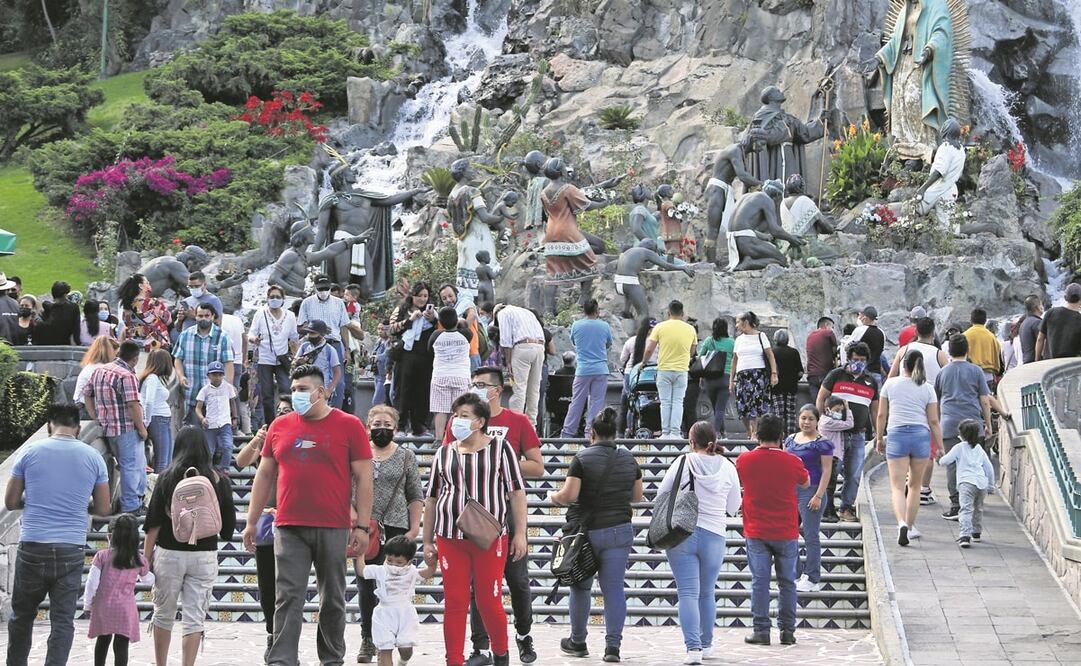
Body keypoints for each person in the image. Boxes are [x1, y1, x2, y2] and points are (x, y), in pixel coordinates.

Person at [242, 364, 374, 666]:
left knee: (333, 599)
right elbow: (264, 475)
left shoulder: (350, 425)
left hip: (334, 525)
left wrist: (363, 526)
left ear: (323, 391)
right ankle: (282, 659)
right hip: (288, 526)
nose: (297, 395)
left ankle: (331, 658)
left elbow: (365, 478)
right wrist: (251, 520)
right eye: (294, 389)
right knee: (287, 596)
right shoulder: (280, 426)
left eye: (303, 390)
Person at [443, 367, 543, 665]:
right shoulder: (459, 422)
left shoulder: (517, 421)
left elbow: (537, 467)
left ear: (497, 390)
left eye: (482, 384)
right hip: (469, 515)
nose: (476, 388)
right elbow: (449, 457)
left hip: (504, 513)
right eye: (473, 383)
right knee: (478, 585)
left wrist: (499, 459)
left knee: (517, 581)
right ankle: (480, 646)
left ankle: (523, 635)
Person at [424, 393, 527, 666]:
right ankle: (453, 661)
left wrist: (521, 534)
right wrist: (426, 541)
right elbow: (432, 497)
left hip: (489, 538)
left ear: (480, 421)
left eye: (464, 416)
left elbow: (516, 493)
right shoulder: (444, 452)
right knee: (455, 602)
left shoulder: (501, 449)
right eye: (455, 415)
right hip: (449, 536)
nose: (456, 421)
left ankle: (501, 653)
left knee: (488, 600)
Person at [5, 404, 110, 666]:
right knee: (62, 621)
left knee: (22, 616)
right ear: (77, 427)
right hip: (70, 548)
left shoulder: (29, 452)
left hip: (33, 544)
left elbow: (10, 501)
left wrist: (36, 499)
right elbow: (103, 508)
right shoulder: (93, 457)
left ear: (50, 424)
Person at [548, 407, 642, 663]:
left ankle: (577, 641)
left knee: (580, 587)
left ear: (592, 433)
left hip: (586, 534)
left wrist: (552, 497)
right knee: (613, 590)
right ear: (616, 433)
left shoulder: (582, 458)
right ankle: (613, 647)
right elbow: (637, 496)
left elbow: (569, 496)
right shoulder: (629, 459)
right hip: (619, 531)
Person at [143, 427, 236, 666]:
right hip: (204, 556)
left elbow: (152, 522)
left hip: (169, 553)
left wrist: (146, 557)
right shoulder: (219, 479)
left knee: (163, 613)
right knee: (194, 618)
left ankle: (161, 663)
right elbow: (227, 529)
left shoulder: (166, 477)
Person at [659, 421, 741, 664]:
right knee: (707, 593)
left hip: (682, 534)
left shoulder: (683, 462)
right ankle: (706, 645)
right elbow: (734, 507)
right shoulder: (728, 467)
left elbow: (662, 494)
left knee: (687, 593)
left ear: (691, 442)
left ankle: (692, 649)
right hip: (715, 534)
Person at [353, 406, 425, 663]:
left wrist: (414, 528)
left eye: (387, 424)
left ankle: (400, 635)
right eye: (376, 423)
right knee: (366, 584)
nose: (381, 428)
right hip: (364, 527)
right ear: (368, 425)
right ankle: (368, 638)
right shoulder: (358, 454)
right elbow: (347, 489)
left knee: (396, 582)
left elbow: (415, 494)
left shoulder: (406, 456)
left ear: (395, 427)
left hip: (396, 529)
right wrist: (354, 519)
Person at [736, 414, 809, 647]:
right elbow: (806, 483)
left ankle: (761, 631)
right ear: (781, 436)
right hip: (786, 530)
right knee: (787, 582)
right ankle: (787, 631)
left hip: (756, 529)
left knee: (760, 581)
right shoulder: (793, 462)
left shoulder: (744, 460)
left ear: (757, 435)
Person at [234, 394, 293, 661]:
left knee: (290, 584)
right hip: (266, 523)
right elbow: (241, 462)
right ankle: (272, 632)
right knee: (267, 582)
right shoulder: (268, 439)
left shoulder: (300, 440)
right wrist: (258, 439)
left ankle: (286, 636)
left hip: (294, 520)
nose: (282, 414)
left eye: (287, 410)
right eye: (279, 410)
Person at [935, 335, 1010, 521]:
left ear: (949, 352)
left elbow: (936, 402)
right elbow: (985, 400)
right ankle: (976, 500)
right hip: (973, 423)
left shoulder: (942, 373)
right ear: (967, 350)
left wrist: (936, 425)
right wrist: (988, 425)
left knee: (952, 464)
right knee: (976, 462)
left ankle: (956, 504)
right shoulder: (976, 371)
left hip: (949, 423)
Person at [877, 351, 941, 546]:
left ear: (903, 365)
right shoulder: (927, 388)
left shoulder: (890, 384)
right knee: (914, 486)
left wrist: (879, 438)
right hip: (920, 436)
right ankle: (911, 527)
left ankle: (901, 523)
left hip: (897, 435)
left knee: (897, 487)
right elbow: (933, 421)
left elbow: (881, 415)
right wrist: (940, 446)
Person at [815, 342, 879, 523]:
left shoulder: (871, 381)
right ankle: (827, 508)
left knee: (855, 473)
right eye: (855, 359)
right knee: (831, 471)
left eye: (862, 360)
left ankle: (846, 507)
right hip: (835, 435)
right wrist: (821, 423)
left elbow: (875, 410)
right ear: (848, 359)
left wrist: (878, 433)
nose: (858, 363)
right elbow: (821, 398)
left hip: (858, 434)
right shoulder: (836, 375)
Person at [85, 341, 149, 514]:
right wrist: (142, 429)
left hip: (108, 428)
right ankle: (131, 506)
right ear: (135, 359)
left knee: (126, 465)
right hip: (126, 428)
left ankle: (133, 502)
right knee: (131, 467)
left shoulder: (100, 370)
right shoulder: (126, 375)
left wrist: (94, 414)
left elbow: (87, 392)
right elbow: (133, 405)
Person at [356, 536, 438, 666]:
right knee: (385, 648)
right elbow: (362, 570)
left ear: (409, 561)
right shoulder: (380, 570)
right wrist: (360, 553)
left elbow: (427, 573)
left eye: (399, 562)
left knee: (405, 648)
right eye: (390, 560)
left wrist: (432, 564)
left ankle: (403, 660)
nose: (394, 565)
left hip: (405, 614)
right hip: (383, 613)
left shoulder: (411, 572)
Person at [84, 513, 153, 666]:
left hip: (104, 607)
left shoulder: (102, 556)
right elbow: (148, 580)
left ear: (110, 535)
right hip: (125, 609)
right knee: (121, 646)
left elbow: (91, 583)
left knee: (102, 641)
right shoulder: (138, 559)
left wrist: (87, 604)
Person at [783, 405, 834, 592]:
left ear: (817, 420)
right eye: (803, 418)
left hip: (812, 490)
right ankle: (794, 573)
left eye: (810, 419)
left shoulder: (823, 443)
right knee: (789, 534)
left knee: (811, 535)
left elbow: (827, 470)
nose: (806, 422)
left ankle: (812, 576)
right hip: (790, 491)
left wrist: (818, 495)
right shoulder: (790, 440)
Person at [643, 300, 698, 439]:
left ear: (668, 312)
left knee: (665, 402)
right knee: (678, 402)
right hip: (681, 370)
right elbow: (692, 350)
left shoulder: (660, 327)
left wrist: (643, 362)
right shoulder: (690, 329)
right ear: (683, 313)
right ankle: (675, 433)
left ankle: (665, 433)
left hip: (664, 369)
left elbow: (649, 349)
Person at [297, 274, 352, 408]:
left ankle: (335, 414)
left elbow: (343, 326)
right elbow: (299, 327)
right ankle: (313, 410)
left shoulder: (338, 303)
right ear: (315, 288)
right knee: (314, 380)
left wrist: (347, 349)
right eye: (320, 289)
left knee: (339, 384)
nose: (323, 292)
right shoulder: (307, 303)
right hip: (314, 345)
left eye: (326, 288)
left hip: (334, 343)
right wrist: (316, 329)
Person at [173, 302, 234, 422]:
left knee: (213, 435)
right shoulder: (185, 335)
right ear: (195, 316)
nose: (203, 319)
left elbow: (228, 363)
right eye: (200, 316)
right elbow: (178, 359)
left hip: (215, 397)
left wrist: (228, 387)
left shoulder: (222, 337)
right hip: (192, 394)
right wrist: (181, 376)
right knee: (192, 435)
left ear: (212, 317)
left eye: (207, 316)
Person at [938, 419, 995, 548]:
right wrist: (991, 485)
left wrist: (940, 458)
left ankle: (964, 535)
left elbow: (945, 461)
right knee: (978, 509)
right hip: (981, 483)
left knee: (966, 509)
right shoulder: (979, 449)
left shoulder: (959, 448)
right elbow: (988, 468)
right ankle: (976, 533)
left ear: (961, 435)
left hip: (966, 483)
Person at [561, 299, 613, 438]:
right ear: (597, 311)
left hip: (583, 370)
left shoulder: (576, 325)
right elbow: (608, 344)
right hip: (601, 369)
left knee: (576, 401)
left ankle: (567, 432)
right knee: (596, 403)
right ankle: (591, 433)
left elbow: (574, 342)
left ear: (584, 311)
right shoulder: (604, 326)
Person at [390, 282, 437, 436]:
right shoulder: (402, 309)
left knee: (422, 391)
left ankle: (419, 425)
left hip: (425, 356)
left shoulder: (432, 311)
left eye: (425, 296)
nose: (422, 299)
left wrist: (433, 320)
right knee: (403, 389)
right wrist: (409, 320)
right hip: (405, 355)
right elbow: (391, 328)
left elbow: (440, 328)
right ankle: (401, 425)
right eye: (419, 296)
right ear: (412, 296)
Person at [248, 284, 299, 425]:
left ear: (283, 299)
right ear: (267, 299)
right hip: (265, 359)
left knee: (287, 389)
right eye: (272, 297)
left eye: (277, 297)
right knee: (267, 395)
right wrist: (254, 340)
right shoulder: (260, 314)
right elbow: (251, 333)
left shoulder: (289, 316)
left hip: (282, 359)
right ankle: (270, 425)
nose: (274, 299)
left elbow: (294, 338)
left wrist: (296, 357)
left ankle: (289, 421)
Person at [494, 303, 547, 425]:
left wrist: (508, 361)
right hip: (539, 347)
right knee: (534, 390)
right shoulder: (526, 312)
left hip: (522, 348)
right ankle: (531, 425)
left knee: (519, 388)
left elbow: (506, 340)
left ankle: (515, 424)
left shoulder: (502, 313)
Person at [730, 311, 777, 439]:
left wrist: (774, 373)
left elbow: (770, 355)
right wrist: (731, 380)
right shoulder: (739, 339)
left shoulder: (761, 336)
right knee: (742, 406)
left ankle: (755, 432)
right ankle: (749, 431)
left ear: (746, 322)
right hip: (742, 376)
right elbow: (734, 360)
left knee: (757, 405)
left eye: (738, 322)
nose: (736, 325)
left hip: (758, 375)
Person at [430, 306, 474, 440]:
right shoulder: (466, 334)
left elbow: (429, 349)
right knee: (461, 409)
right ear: (456, 320)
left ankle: (439, 438)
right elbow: (465, 324)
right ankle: (459, 437)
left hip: (440, 375)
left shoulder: (436, 335)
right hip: (461, 376)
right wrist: (459, 321)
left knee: (440, 410)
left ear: (441, 322)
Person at [194, 361, 238, 474]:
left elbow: (232, 402)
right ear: (209, 376)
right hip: (211, 423)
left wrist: (235, 417)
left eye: (219, 374)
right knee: (209, 450)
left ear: (223, 375)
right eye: (214, 375)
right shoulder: (205, 390)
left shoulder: (228, 387)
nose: (217, 377)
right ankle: (207, 469)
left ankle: (225, 468)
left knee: (228, 446)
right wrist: (202, 418)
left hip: (225, 422)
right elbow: (198, 408)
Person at [139, 349, 176, 473]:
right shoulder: (152, 378)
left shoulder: (155, 378)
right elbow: (149, 401)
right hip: (158, 419)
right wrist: (147, 421)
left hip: (162, 420)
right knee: (162, 461)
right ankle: (159, 489)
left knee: (166, 459)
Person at [293, 319, 342, 410]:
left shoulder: (329, 350)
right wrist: (298, 362)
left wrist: (329, 390)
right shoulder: (304, 346)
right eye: (308, 333)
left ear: (321, 334)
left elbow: (337, 372)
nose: (309, 336)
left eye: (313, 333)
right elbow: (294, 363)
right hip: (304, 386)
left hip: (321, 388)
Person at [818, 396, 853, 523]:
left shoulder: (829, 420)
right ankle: (826, 512)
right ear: (827, 409)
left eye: (841, 410)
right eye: (837, 410)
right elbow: (850, 424)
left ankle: (830, 510)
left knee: (831, 486)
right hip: (830, 457)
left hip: (834, 456)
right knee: (829, 486)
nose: (839, 413)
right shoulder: (827, 421)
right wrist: (848, 410)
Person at [697, 318, 734, 437]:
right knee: (720, 408)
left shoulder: (708, 341)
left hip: (710, 379)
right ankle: (717, 432)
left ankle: (721, 431)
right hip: (725, 378)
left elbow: (700, 357)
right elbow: (736, 359)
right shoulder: (731, 342)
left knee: (716, 407)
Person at [118, 273, 172, 350]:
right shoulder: (153, 303)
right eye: (147, 283)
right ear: (140, 286)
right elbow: (168, 320)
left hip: (132, 348)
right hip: (153, 347)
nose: (149, 284)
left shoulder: (126, 306)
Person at [439, 284, 483, 370]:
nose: (448, 300)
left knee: (473, 381)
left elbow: (472, 314)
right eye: (444, 298)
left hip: (470, 353)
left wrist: (461, 331)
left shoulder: (465, 303)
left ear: (456, 294)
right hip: (455, 355)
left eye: (450, 296)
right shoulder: (447, 312)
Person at [770, 329, 804, 438]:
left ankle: (779, 435)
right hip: (791, 387)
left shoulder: (772, 353)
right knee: (791, 413)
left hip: (776, 387)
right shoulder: (794, 352)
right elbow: (800, 372)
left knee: (778, 413)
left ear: (775, 339)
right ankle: (791, 436)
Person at [1035, 282, 1081, 360]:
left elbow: (1040, 339)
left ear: (1065, 297)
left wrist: (1037, 360)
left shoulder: (1051, 312)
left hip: (1049, 363)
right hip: (1068, 365)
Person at [74, 336, 119, 410]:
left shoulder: (91, 366)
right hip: (88, 407)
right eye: (116, 354)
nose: (116, 357)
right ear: (110, 351)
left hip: (82, 404)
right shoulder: (103, 369)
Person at [34, 281, 81, 345]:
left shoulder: (51, 308)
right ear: (65, 295)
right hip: (64, 345)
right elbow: (76, 330)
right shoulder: (73, 308)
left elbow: (46, 304)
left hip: (45, 343)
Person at [964, 308, 1003, 385]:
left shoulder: (965, 335)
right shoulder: (992, 337)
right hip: (988, 376)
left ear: (971, 320)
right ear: (985, 321)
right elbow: (999, 356)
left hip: (969, 375)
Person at [850, 306, 886, 382]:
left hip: (861, 371)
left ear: (865, 317)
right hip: (876, 371)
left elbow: (848, 347)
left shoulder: (860, 330)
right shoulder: (882, 333)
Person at [805, 316, 838, 397]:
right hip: (825, 375)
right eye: (832, 327)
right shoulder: (828, 333)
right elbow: (835, 353)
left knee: (816, 405)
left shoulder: (810, 336)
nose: (832, 329)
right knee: (828, 404)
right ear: (826, 325)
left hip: (812, 376)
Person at [1018, 294, 1044, 363]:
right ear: (1037, 307)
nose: (1042, 307)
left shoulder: (1023, 324)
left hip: (1026, 362)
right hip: (1036, 363)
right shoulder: (1037, 322)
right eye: (1041, 304)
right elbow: (1041, 341)